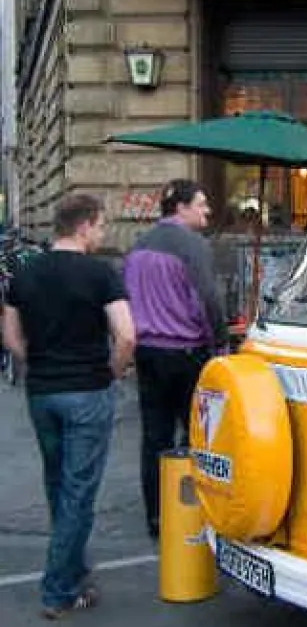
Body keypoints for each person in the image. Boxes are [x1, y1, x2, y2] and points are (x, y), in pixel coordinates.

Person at [1, 194, 136, 619]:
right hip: (87, 390)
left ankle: (73, 571)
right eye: (101, 225)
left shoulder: (26, 272)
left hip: (42, 392)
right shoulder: (100, 274)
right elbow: (127, 335)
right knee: (79, 491)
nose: (103, 233)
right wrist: (112, 372)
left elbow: (9, 337)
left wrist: (36, 362)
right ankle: (58, 589)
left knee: (58, 483)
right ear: (84, 225)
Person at [123, 179, 227, 539]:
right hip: (186, 353)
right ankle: (194, 509)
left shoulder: (139, 245)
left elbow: (125, 299)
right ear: (181, 208)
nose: (207, 210)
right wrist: (220, 345)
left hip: (148, 351)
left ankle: (157, 514)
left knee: (155, 436)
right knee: (199, 434)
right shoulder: (193, 245)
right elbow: (208, 300)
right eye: (201, 204)